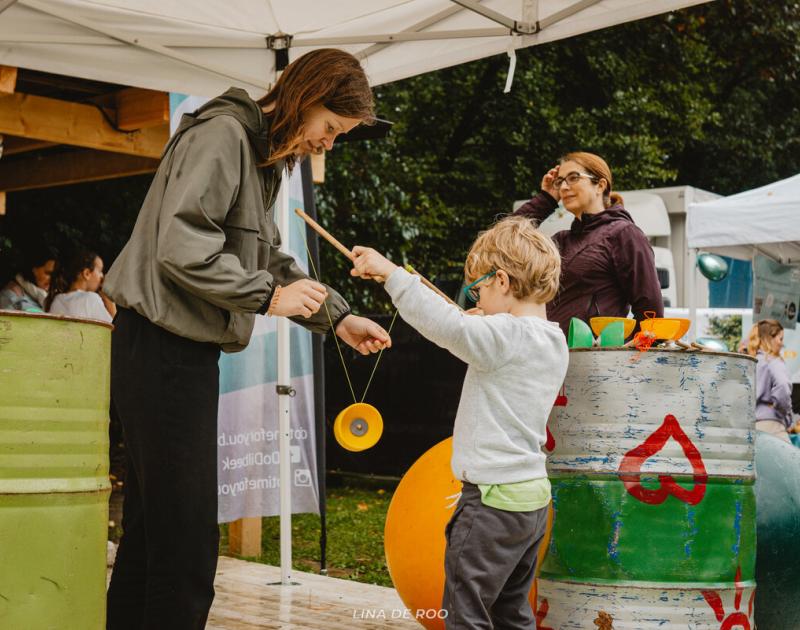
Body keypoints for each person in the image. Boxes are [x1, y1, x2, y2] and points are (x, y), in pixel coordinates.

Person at [102, 49, 391, 629]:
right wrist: (266, 298)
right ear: (304, 97)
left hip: (177, 352)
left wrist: (337, 318)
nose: (329, 144)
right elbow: (182, 247)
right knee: (184, 548)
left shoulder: (264, 154)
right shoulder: (223, 136)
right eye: (330, 128)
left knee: (154, 536)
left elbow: (268, 259)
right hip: (160, 348)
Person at [351, 216, 569, 629]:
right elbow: (496, 334)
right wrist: (485, 319)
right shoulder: (552, 339)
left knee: (464, 613)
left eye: (479, 289)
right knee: (510, 611)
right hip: (532, 502)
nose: (476, 299)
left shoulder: (504, 337)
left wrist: (392, 275)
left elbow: (447, 326)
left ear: (502, 281)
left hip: (490, 502)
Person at [514, 151, 664, 335]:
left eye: (573, 178)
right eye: (560, 181)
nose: (563, 187)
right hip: (552, 355)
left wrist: (622, 352)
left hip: (596, 358)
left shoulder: (624, 234)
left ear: (600, 185)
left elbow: (651, 314)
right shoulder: (560, 240)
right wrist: (546, 199)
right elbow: (503, 242)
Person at [746, 319, 793, 442]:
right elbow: (783, 386)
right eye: (780, 339)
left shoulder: (751, 362)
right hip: (773, 427)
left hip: (752, 426)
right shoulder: (773, 360)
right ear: (770, 338)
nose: (782, 344)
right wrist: (785, 414)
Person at [46, 249, 114, 323]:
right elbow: (114, 330)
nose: (102, 276)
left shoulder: (57, 299)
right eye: (100, 271)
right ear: (87, 274)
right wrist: (109, 299)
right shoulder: (90, 299)